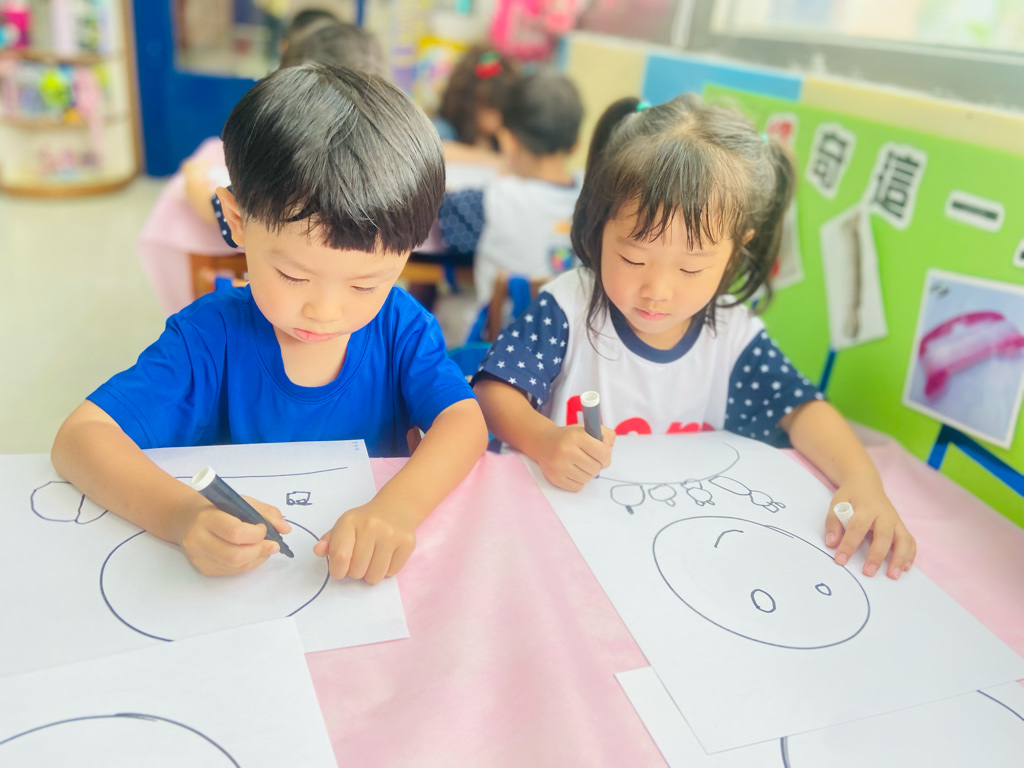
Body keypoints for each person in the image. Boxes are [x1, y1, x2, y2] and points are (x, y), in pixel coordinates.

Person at [53, 63, 488, 585]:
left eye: (365, 285)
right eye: (293, 276)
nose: (325, 311)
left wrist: (399, 508)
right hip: (240, 590)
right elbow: (80, 439)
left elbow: (464, 422)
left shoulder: (402, 328)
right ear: (237, 221)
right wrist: (183, 515)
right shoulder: (207, 338)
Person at [472, 93, 916, 581]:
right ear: (599, 227)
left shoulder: (732, 332)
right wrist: (544, 440)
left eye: (690, 268)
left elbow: (802, 409)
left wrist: (861, 480)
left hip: (671, 554)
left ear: (736, 249)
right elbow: (493, 392)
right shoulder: (570, 306)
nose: (657, 291)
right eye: (633, 259)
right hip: (563, 541)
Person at [437, 71, 584, 316]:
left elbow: (439, 214)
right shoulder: (593, 197)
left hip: (501, 335)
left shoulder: (488, 201)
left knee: (443, 306)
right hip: (568, 335)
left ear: (507, 140)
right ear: (576, 143)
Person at [433, 45, 519, 166]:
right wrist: (494, 159)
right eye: (490, 106)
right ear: (468, 103)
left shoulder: (503, 138)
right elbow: (436, 152)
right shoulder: (445, 128)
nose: (498, 115)